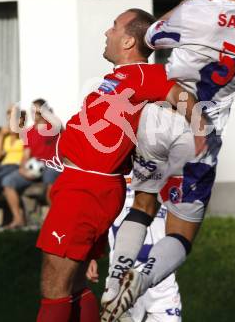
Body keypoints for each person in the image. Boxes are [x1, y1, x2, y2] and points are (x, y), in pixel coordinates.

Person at [100, 0, 235, 321]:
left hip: (161, 119)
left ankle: (114, 282)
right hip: (203, 133)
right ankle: (139, 282)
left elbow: (153, 36)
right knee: (181, 233)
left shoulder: (195, 13)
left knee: (143, 205)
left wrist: (191, 0)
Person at [35, 9, 205, 322]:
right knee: (72, 285)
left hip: (85, 189)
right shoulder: (121, 78)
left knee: (53, 286)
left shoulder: (144, 74)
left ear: (128, 41)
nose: (106, 33)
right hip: (84, 185)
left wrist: (201, 134)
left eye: (113, 27)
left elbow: (182, 98)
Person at [91, 102, 193, 322]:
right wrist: (91, 252)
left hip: (159, 272)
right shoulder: (114, 164)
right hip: (122, 271)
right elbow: (98, 209)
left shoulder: (176, 165)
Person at [1, 98, 61, 229]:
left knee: (50, 178)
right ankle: (18, 219)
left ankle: (55, 221)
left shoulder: (53, 127)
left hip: (51, 166)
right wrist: (22, 169)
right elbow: (26, 155)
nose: (34, 114)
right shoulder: (28, 132)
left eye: (37, 111)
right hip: (33, 167)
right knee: (8, 181)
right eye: (32, 111)